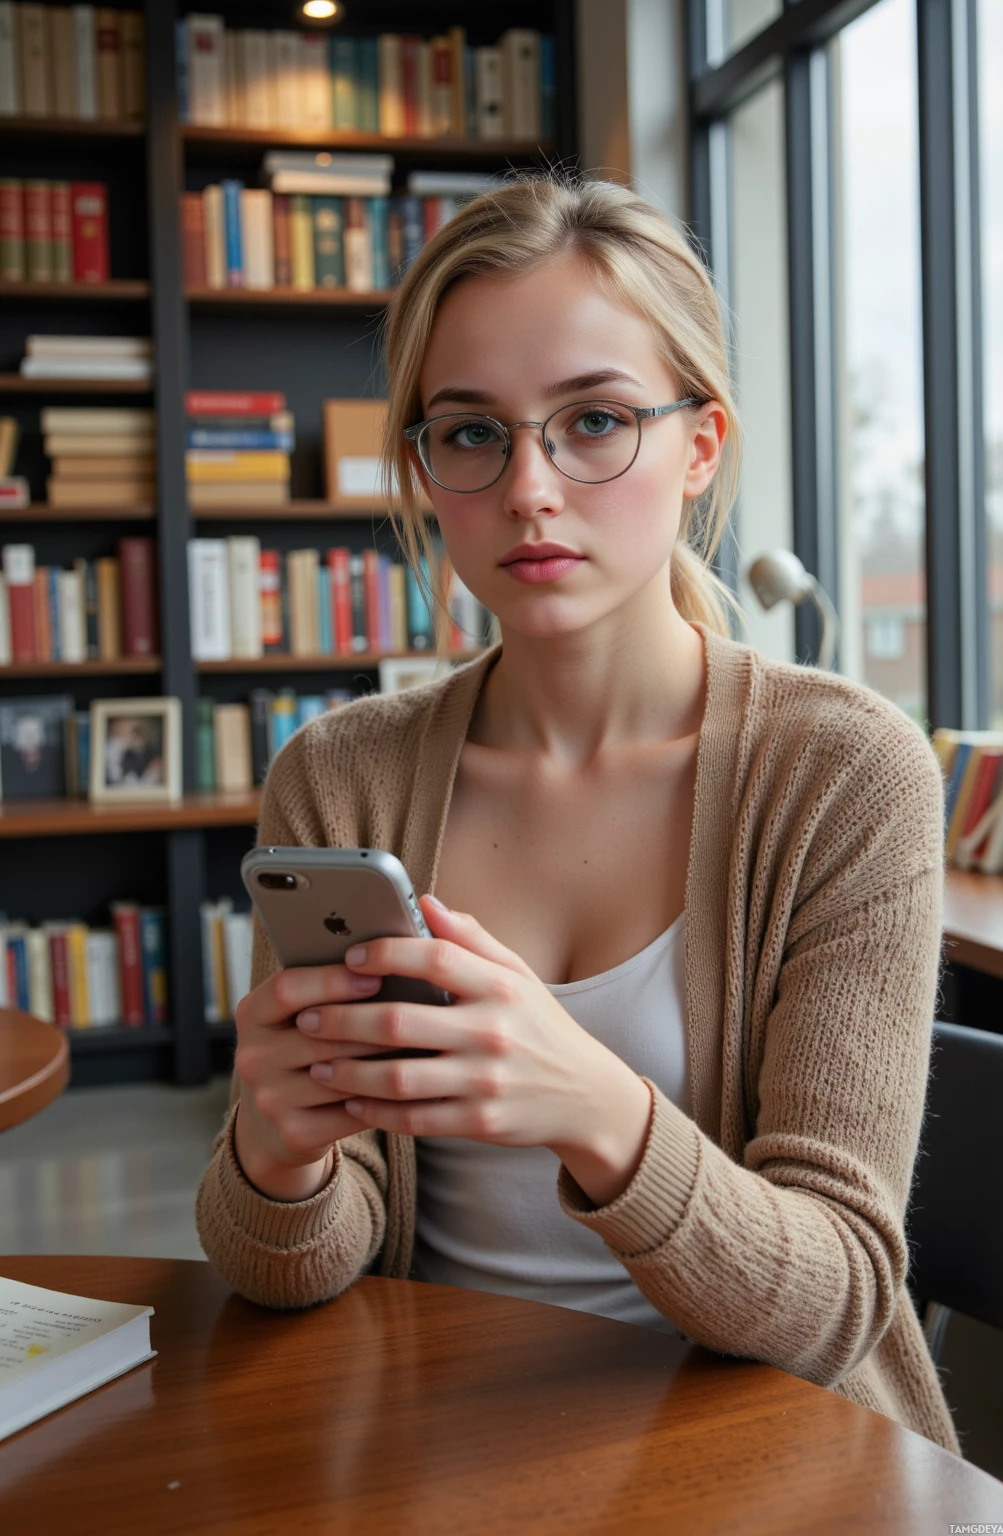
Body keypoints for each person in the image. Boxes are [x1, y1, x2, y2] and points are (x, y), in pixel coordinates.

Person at [196, 172, 960, 1456]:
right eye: (472, 432)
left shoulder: (845, 773)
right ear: (426, 464)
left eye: (594, 421)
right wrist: (276, 1164)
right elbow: (292, 1272)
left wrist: (587, 1105)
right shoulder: (339, 777)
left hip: (762, 1460)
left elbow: (831, 1303)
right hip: (432, 1446)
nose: (530, 490)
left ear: (699, 443)